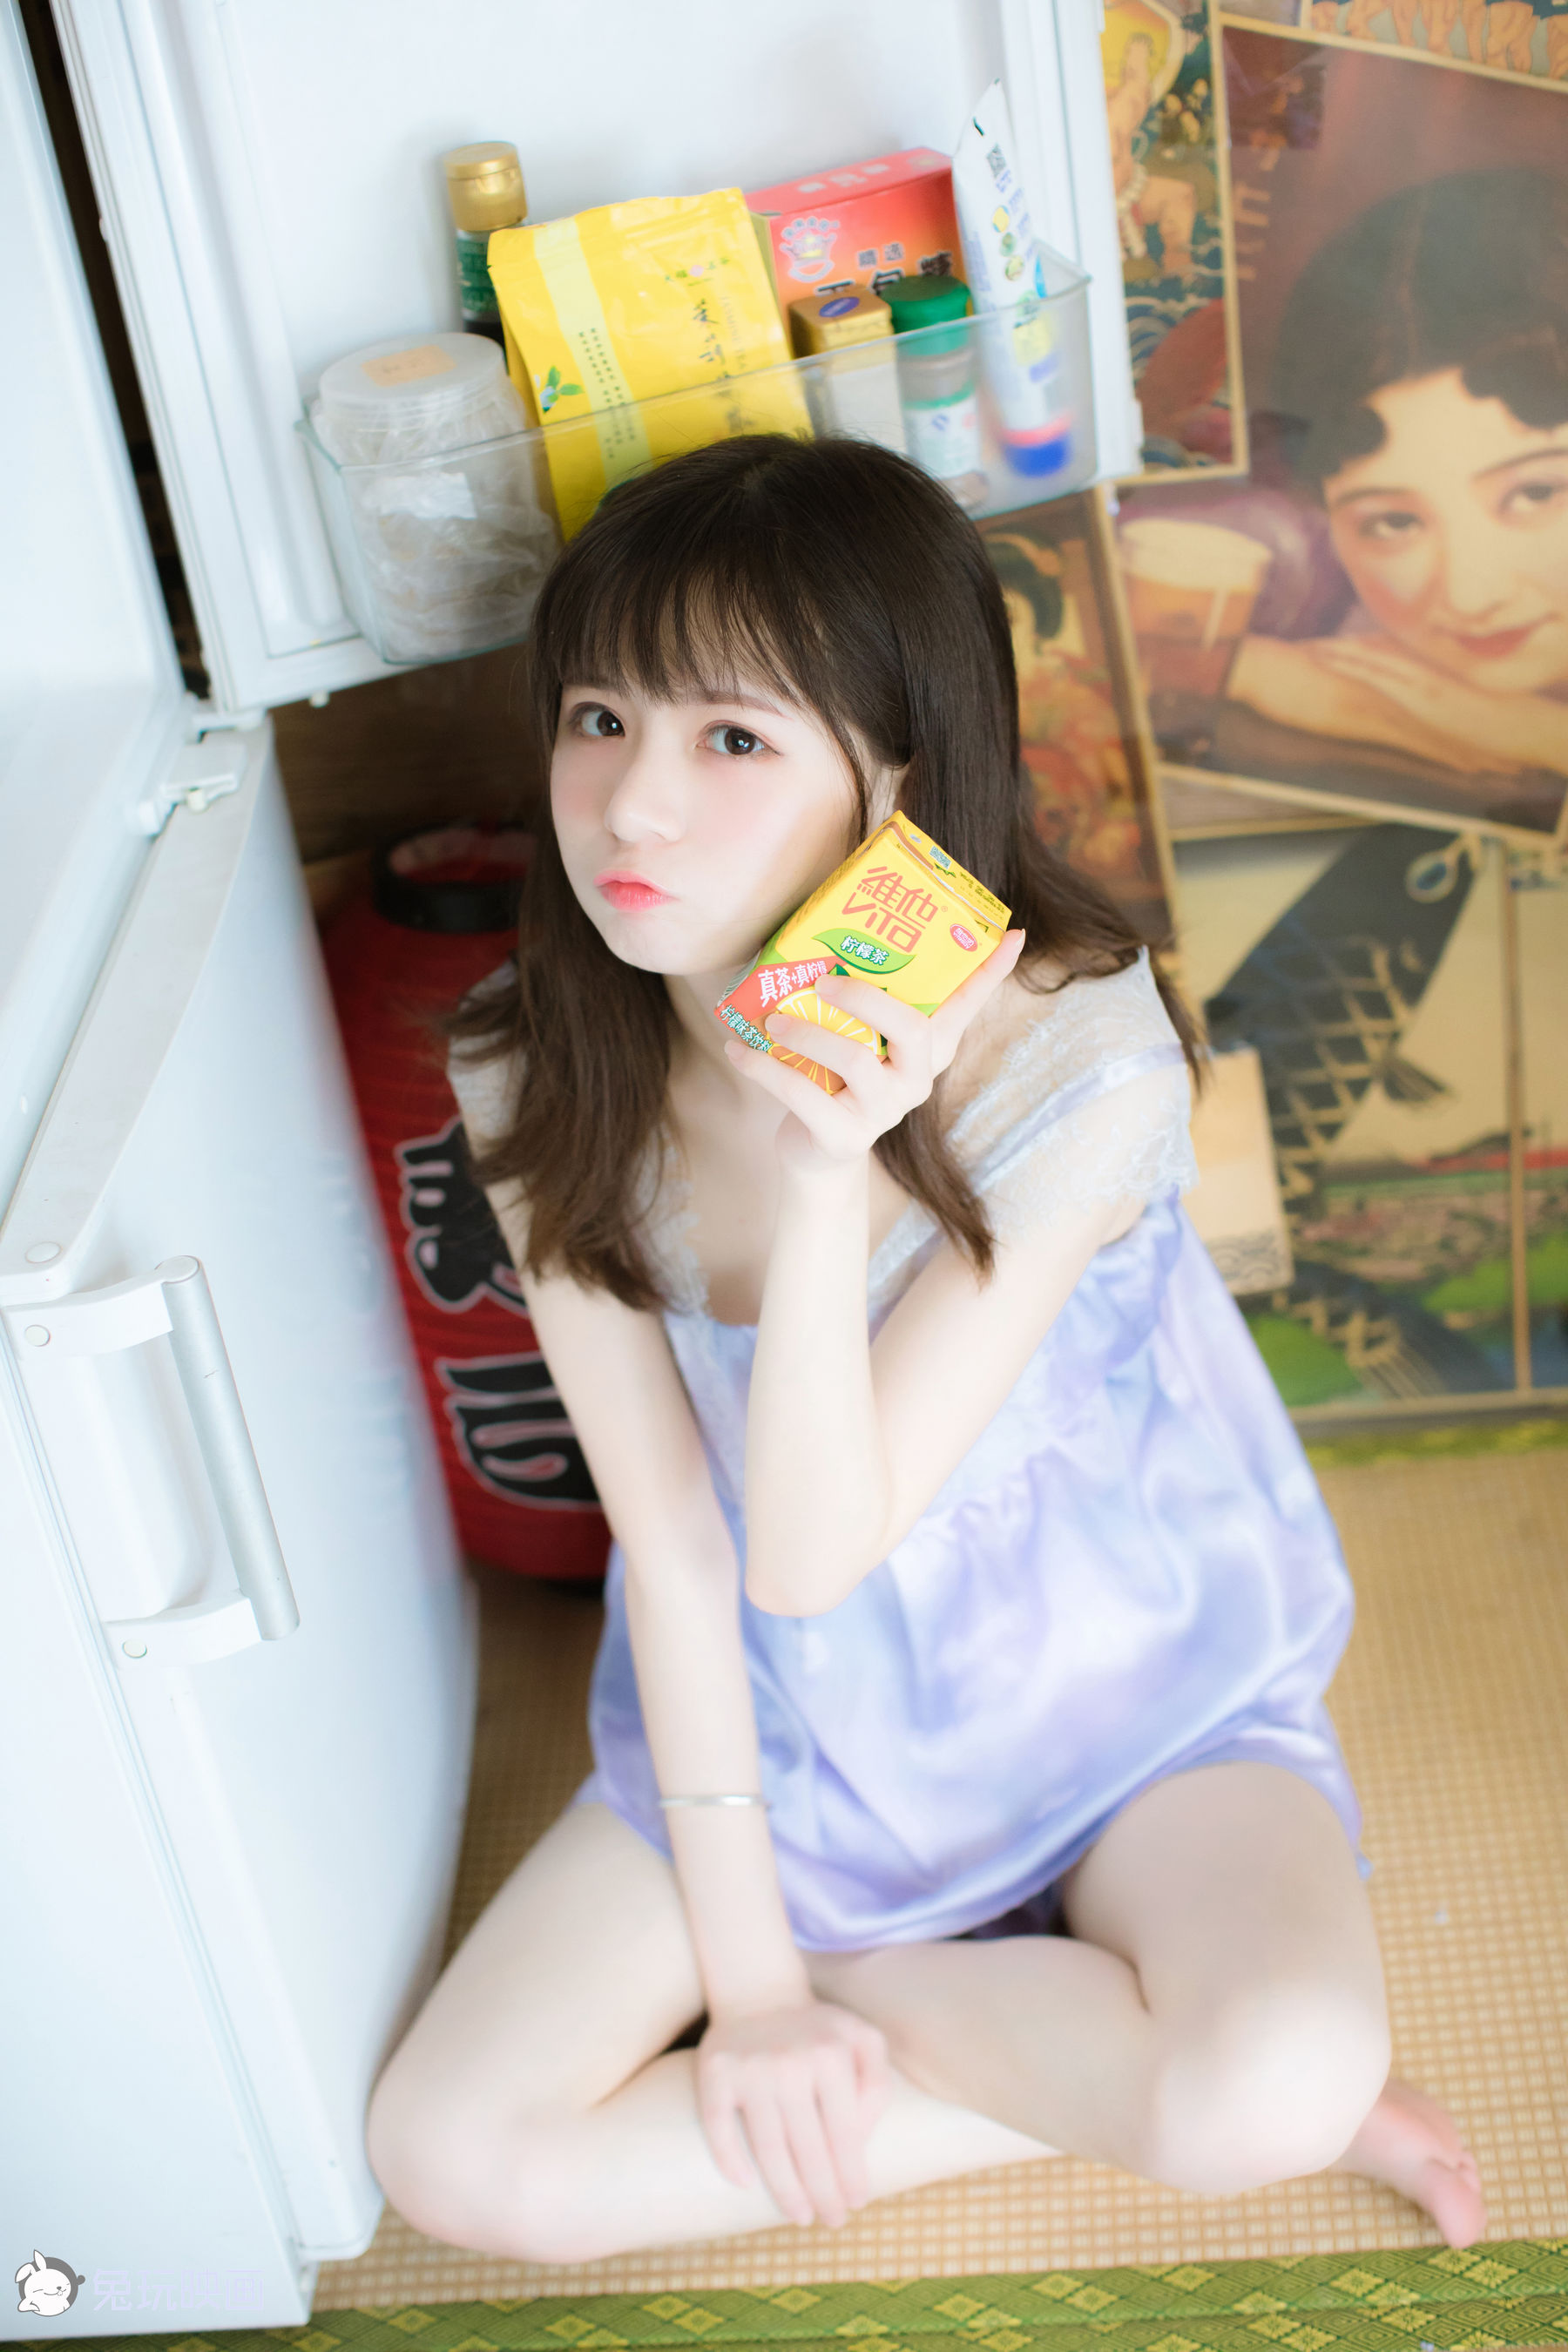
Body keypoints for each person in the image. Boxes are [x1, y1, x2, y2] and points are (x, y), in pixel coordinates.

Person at [362, 434, 1485, 2266]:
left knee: (1272, 2079)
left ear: (896, 781)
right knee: (455, 2156)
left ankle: (1045, 2034)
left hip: (1135, 1704)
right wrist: (755, 1992)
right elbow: (688, 1548)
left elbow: (818, 1543)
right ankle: (1033, 2047)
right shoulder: (537, 1056)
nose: (632, 807)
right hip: (787, 1734)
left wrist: (825, 1172)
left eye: (733, 739)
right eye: (598, 719)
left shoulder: (1073, 1049)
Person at [1226, 168, 1568, 786]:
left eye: (1535, 493)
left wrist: (1541, 736)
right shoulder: (1344, 646)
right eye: (1394, 523)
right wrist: (1254, 671)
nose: (1470, 596)